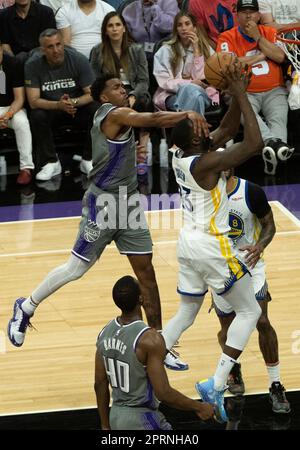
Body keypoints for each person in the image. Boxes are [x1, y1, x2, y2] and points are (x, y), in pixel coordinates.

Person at [7, 72, 209, 348]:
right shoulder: (110, 115)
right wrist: (185, 114)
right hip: (103, 203)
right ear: (103, 97)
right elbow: (149, 119)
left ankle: (161, 343)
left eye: (123, 86)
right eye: (115, 87)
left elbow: (146, 122)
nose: (122, 89)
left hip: (129, 202)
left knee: (147, 274)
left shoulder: (122, 112)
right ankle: (26, 306)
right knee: (76, 268)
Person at [161, 59, 264, 422]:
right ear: (193, 138)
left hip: (186, 243)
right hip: (210, 244)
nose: (202, 121)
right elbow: (254, 142)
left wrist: (240, 92)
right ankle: (217, 382)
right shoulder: (204, 163)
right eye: (196, 123)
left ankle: (150, 364)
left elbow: (227, 126)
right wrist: (237, 91)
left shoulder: (181, 155)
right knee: (250, 309)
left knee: (187, 309)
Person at [211, 170, 291, 414]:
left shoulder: (251, 191)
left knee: (262, 320)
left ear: (233, 164)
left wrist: (260, 245)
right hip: (220, 268)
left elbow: (269, 224)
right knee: (228, 327)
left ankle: (275, 383)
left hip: (251, 266)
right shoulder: (205, 194)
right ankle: (233, 369)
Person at [94, 275, 214, 430]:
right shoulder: (149, 339)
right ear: (141, 298)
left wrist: (105, 425)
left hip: (115, 416)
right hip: (142, 418)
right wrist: (199, 407)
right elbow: (163, 393)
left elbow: (100, 384)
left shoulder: (104, 333)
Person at [216, 0, 294, 176]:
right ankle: (275, 145)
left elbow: (280, 56)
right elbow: (227, 63)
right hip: (243, 92)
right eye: (244, 12)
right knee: (250, 116)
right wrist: (259, 57)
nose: (248, 16)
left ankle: (271, 151)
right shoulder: (227, 37)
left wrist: (258, 38)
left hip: (274, 89)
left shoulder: (270, 32)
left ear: (259, 15)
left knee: (279, 118)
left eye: (252, 12)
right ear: (237, 15)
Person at [24, 29, 99, 180]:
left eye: (58, 44)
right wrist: (58, 105)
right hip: (52, 109)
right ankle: (50, 162)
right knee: (36, 115)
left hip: (75, 107)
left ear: (63, 44)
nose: (56, 50)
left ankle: (88, 159)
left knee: (97, 109)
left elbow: (92, 94)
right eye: (50, 47)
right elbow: (33, 101)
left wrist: (73, 102)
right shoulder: (32, 65)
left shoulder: (78, 59)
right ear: (42, 49)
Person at [90, 11, 152, 148]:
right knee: (95, 107)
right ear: (105, 31)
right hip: (109, 92)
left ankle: (144, 147)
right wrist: (109, 96)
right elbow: (95, 82)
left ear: (124, 28)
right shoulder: (97, 51)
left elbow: (143, 81)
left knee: (144, 102)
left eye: (118, 25)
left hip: (133, 89)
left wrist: (133, 95)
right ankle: (107, 149)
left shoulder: (136, 49)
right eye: (110, 26)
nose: (114, 28)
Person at [153, 12, 219, 114]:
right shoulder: (165, 50)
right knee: (195, 96)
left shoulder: (206, 49)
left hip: (204, 93)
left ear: (195, 28)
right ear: (176, 30)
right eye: (179, 25)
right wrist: (190, 83)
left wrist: (197, 51)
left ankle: (188, 129)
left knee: (195, 94)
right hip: (172, 95)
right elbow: (164, 82)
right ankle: (198, 129)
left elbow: (203, 78)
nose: (184, 28)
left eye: (187, 24)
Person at [0, 41, 34, 185]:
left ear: (1, 48)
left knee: (22, 123)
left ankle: (26, 168)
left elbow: (20, 98)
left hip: (12, 107)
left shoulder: (13, 64)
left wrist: (6, 116)